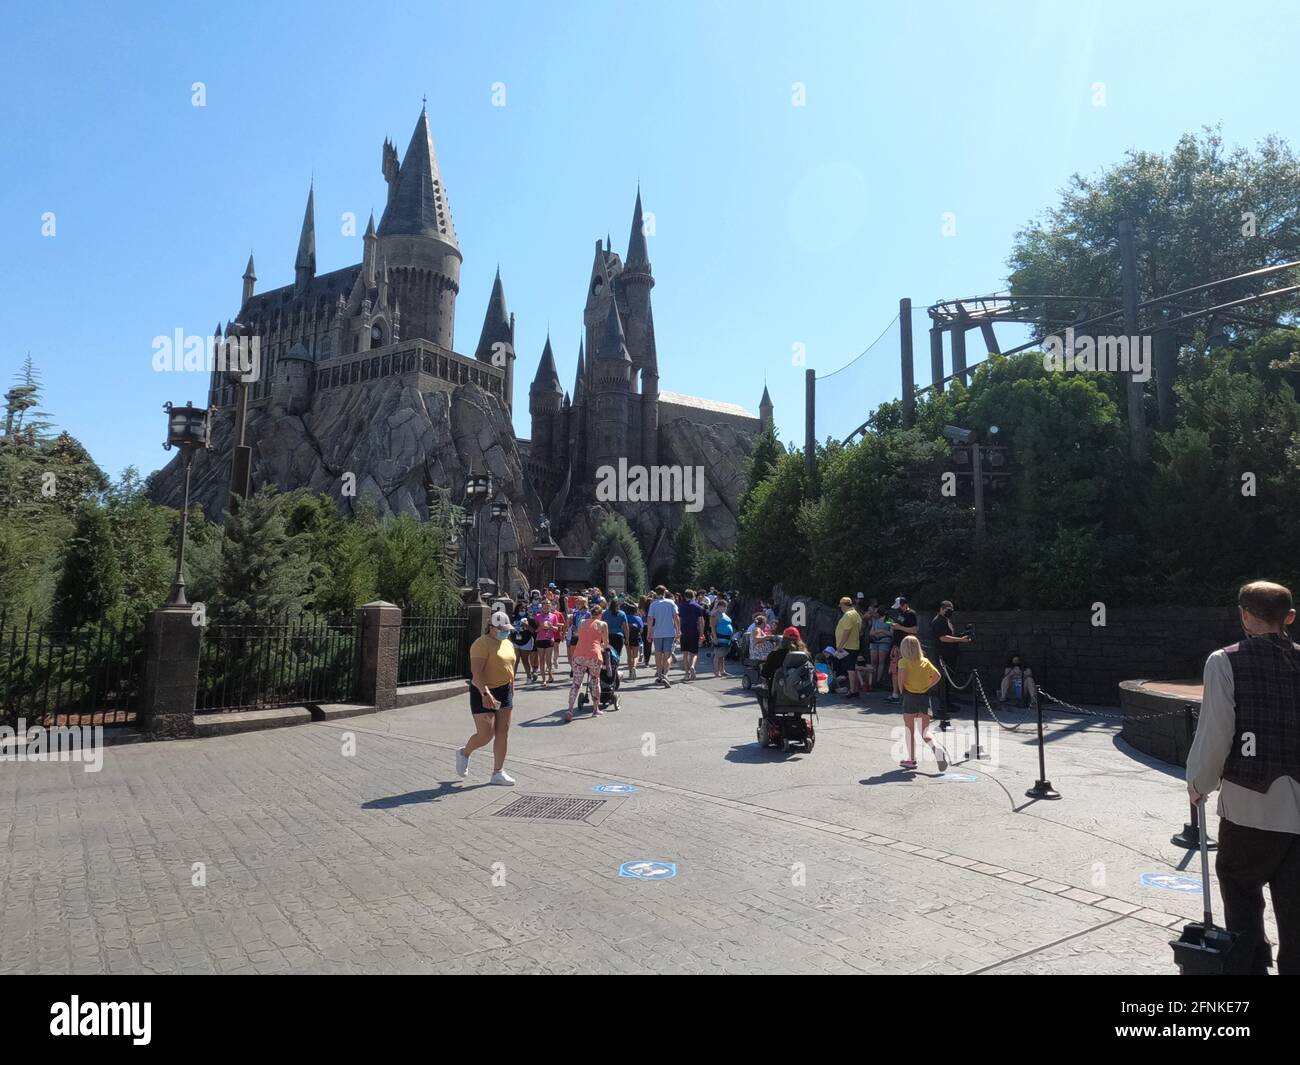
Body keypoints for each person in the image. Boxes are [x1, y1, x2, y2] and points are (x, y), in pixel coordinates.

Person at [1188, 580, 1300, 975]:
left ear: (1244, 615)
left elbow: (1217, 732)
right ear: (1289, 617)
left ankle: (1251, 968)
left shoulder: (1225, 660)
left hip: (1250, 807)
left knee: (1240, 891)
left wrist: (1199, 783)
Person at [456, 610, 518, 786]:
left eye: (506, 629)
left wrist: (511, 689)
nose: (505, 632)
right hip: (482, 690)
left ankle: (498, 772)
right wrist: (486, 693)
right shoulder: (481, 644)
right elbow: (476, 674)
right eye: (501, 629)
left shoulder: (507, 643)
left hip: (504, 691)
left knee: (502, 732)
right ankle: (464, 753)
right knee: (486, 734)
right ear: (491, 627)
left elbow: (510, 667)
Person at [896, 635, 949, 772]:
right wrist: (927, 686)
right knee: (925, 731)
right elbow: (937, 675)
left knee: (910, 730)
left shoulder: (903, 662)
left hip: (910, 696)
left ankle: (911, 759)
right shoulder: (925, 661)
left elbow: (901, 679)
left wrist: (902, 690)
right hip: (924, 696)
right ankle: (937, 749)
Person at [930, 599, 971, 728]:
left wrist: (961, 636)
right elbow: (943, 638)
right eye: (948, 610)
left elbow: (949, 635)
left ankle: (947, 703)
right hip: (944, 655)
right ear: (942, 609)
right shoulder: (938, 621)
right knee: (944, 680)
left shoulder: (946, 620)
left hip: (950, 654)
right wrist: (960, 640)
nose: (950, 612)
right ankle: (943, 705)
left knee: (948, 680)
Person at [566, 603, 609, 722]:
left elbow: (580, 635)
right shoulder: (602, 624)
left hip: (579, 655)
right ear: (600, 614)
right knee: (595, 681)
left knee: (576, 683)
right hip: (594, 656)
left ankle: (570, 709)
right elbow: (605, 643)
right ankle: (595, 710)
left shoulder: (582, 622)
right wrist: (601, 646)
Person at [647, 585, 680, 687]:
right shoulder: (671, 603)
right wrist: (678, 630)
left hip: (657, 632)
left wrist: (649, 632)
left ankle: (660, 675)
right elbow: (676, 617)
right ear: (665, 592)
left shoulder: (653, 604)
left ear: (656, 593)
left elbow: (650, 619)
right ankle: (665, 674)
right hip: (669, 632)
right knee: (668, 654)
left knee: (658, 653)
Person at [887, 596, 918, 702]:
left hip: (906, 646)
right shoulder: (900, 614)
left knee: (904, 670)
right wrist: (893, 627)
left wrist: (899, 627)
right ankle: (895, 694)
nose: (897, 609)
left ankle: (906, 694)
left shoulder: (911, 614)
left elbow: (914, 630)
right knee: (895, 670)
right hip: (897, 645)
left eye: (899, 606)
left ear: (904, 605)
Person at [835, 596, 863, 697]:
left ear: (844, 605)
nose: (840, 607)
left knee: (850, 669)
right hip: (854, 645)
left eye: (841, 605)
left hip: (847, 647)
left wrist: (840, 645)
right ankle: (854, 689)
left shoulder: (847, 615)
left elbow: (847, 631)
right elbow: (860, 629)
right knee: (852, 669)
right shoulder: (856, 613)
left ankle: (852, 690)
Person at [534, 596, 564, 687]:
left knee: (548, 660)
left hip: (549, 640)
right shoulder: (538, 616)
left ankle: (550, 674)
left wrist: (550, 627)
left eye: (548, 606)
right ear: (542, 607)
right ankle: (543, 679)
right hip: (540, 639)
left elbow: (556, 629)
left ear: (550, 607)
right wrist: (541, 627)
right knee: (541, 660)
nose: (546, 607)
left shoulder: (554, 616)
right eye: (544, 606)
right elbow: (535, 630)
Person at [679, 588, 706, 681]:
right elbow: (701, 621)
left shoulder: (681, 606)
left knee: (685, 654)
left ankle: (686, 674)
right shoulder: (698, 606)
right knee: (694, 653)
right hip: (694, 631)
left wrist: (678, 631)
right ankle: (693, 666)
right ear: (693, 596)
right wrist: (702, 634)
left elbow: (679, 620)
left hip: (684, 632)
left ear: (685, 596)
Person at [867, 602, 893, 691]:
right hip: (874, 641)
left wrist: (882, 631)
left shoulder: (889, 620)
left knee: (881, 662)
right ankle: (872, 680)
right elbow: (871, 632)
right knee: (873, 661)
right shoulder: (875, 620)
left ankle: (878, 681)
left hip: (884, 641)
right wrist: (877, 632)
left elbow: (891, 633)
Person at [511, 604, 537, 683]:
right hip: (515, 641)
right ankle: (512, 678)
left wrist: (526, 625)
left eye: (524, 609)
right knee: (515, 660)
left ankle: (529, 677)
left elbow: (533, 631)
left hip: (526, 641)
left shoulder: (530, 619)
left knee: (525, 660)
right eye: (520, 608)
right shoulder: (513, 618)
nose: (522, 610)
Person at [604, 597, 631, 669]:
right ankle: (615, 670)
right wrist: (627, 638)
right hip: (618, 636)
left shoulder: (605, 613)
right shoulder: (622, 614)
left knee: (608, 654)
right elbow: (626, 627)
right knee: (617, 654)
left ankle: (608, 670)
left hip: (607, 636)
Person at [711, 600, 734, 677]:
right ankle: (716, 672)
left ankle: (722, 670)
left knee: (722, 655)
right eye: (722, 606)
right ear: (718, 606)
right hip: (719, 636)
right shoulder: (715, 614)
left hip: (726, 638)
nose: (724, 608)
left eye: (725, 606)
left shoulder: (724, 614)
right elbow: (713, 627)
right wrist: (715, 637)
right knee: (717, 655)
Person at [625, 600, 645, 680]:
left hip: (627, 637)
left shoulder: (625, 617)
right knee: (636, 655)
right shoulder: (638, 618)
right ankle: (634, 667)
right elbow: (641, 630)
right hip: (636, 637)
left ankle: (630, 672)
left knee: (629, 655)